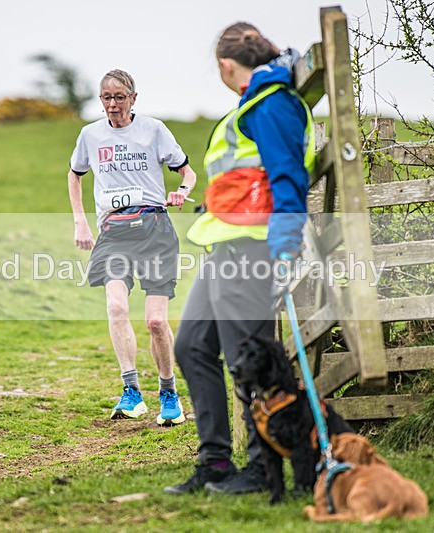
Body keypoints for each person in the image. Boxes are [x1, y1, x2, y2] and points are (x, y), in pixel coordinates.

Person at [164, 23, 315, 495]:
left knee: (245, 358)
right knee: (190, 345)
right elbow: (246, 177)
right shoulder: (255, 103)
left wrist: (286, 237)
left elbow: (287, 173)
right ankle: (215, 463)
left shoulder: (271, 103)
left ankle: (259, 468)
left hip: (253, 249)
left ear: (227, 66)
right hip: (225, 247)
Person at [68, 69, 197, 426]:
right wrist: (80, 221)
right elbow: (75, 174)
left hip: (154, 229)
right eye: (106, 98)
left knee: (156, 321)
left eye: (119, 97)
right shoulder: (90, 135)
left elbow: (188, 173)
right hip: (113, 232)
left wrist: (181, 192)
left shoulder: (154, 130)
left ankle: (168, 393)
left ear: (133, 98)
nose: (112, 104)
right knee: (115, 306)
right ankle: (132, 393)